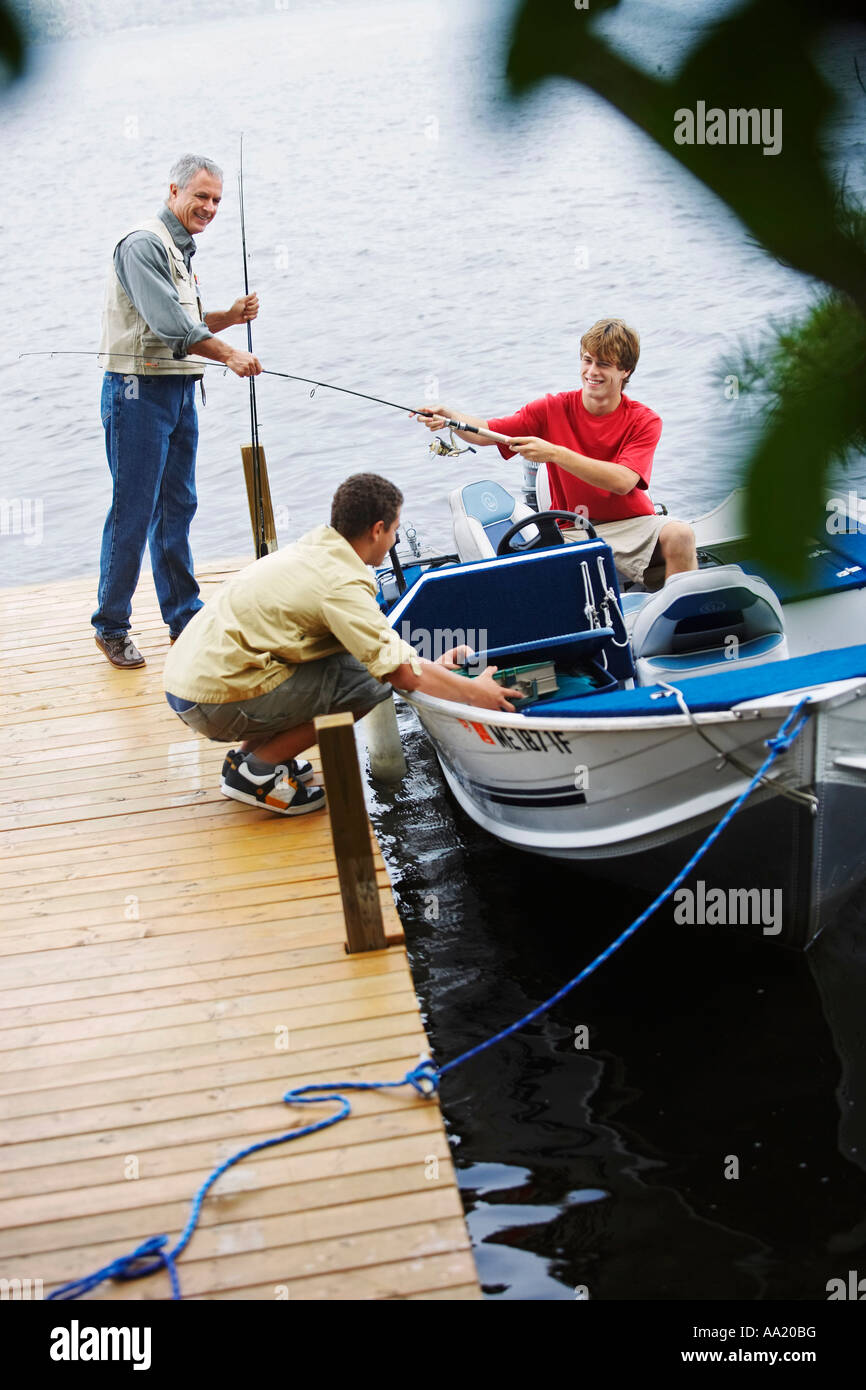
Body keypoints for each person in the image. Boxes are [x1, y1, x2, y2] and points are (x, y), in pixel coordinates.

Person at [163, 473, 518, 816]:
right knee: (369, 686)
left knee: (354, 668)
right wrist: (476, 694)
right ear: (377, 530)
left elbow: (376, 650)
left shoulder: (318, 549)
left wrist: (434, 669)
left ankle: (250, 758)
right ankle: (258, 770)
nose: (395, 540)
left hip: (192, 680)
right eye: (394, 530)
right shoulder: (341, 583)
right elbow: (398, 675)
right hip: (211, 700)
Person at [93, 153, 263, 669]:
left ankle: (184, 617)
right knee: (133, 510)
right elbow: (173, 329)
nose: (209, 208)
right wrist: (230, 353)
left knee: (178, 505)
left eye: (215, 200)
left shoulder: (179, 248)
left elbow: (186, 318)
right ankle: (111, 625)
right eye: (201, 197)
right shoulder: (143, 243)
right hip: (136, 393)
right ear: (174, 191)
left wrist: (229, 319)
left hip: (179, 389)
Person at [415, 318, 697, 588]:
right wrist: (451, 417)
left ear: (625, 371)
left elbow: (622, 482)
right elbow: (489, 430)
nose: (592, 371)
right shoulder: (552, 408)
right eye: (587, 360)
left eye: (604, 364)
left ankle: (686, 619)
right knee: (532, 571)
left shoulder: (644, 420)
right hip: (574, 530)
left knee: (681, 534)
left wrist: (555, 453)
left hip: (633, 525)